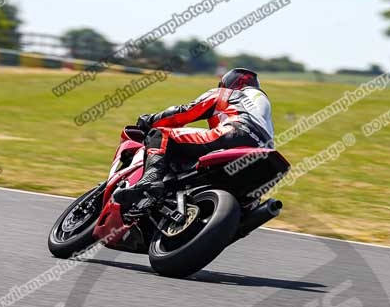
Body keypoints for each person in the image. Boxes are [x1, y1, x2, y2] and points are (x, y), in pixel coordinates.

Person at [112, 68, 274, 208]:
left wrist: (149, 120)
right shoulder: (263, 112)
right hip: (264, 154)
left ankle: (150, 181)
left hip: (234, 134)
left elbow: (183, 113)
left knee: (161, 134)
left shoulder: (229, 94)